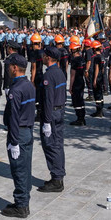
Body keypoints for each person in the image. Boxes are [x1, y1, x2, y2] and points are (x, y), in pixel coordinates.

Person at [1, 54, 35, 218]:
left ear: (15, 67)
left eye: (9, 66)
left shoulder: (16, 89)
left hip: (19, 133)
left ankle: (21, 205)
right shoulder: (28, 85)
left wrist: (13, 141)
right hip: (27, 131)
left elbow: (14, 117)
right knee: (25, 168)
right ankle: (23, 199)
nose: (7, 69)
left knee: (19, 170)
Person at [38, 47, 66, 193]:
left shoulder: (48, 76)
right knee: (58, 145)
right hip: (59, 111)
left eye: (44, 55)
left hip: (52, 114)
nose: (42, 57)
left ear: (48, 58)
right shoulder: (59, 72)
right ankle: (58, 174)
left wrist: (47, 121)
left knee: (51, 146)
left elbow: (48, 100)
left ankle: (57, 179)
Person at [69, 41, 86, 126]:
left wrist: (70, 87)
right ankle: (82, 118)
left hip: (76, 82)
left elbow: (72, 75)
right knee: (81, 100)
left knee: (76, 101)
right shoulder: (82, 59)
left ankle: (79, 119)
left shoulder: (74, 60)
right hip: (81, 81)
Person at [90, 40, 105, 118]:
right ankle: (101, 110)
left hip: (97, 77)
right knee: (100, 94)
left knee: (97, 95)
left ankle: (98, 111)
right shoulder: (102, 56)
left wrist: (95, 79)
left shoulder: (96, 57)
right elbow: (102, 69)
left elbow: (97, 69)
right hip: (101, 77)